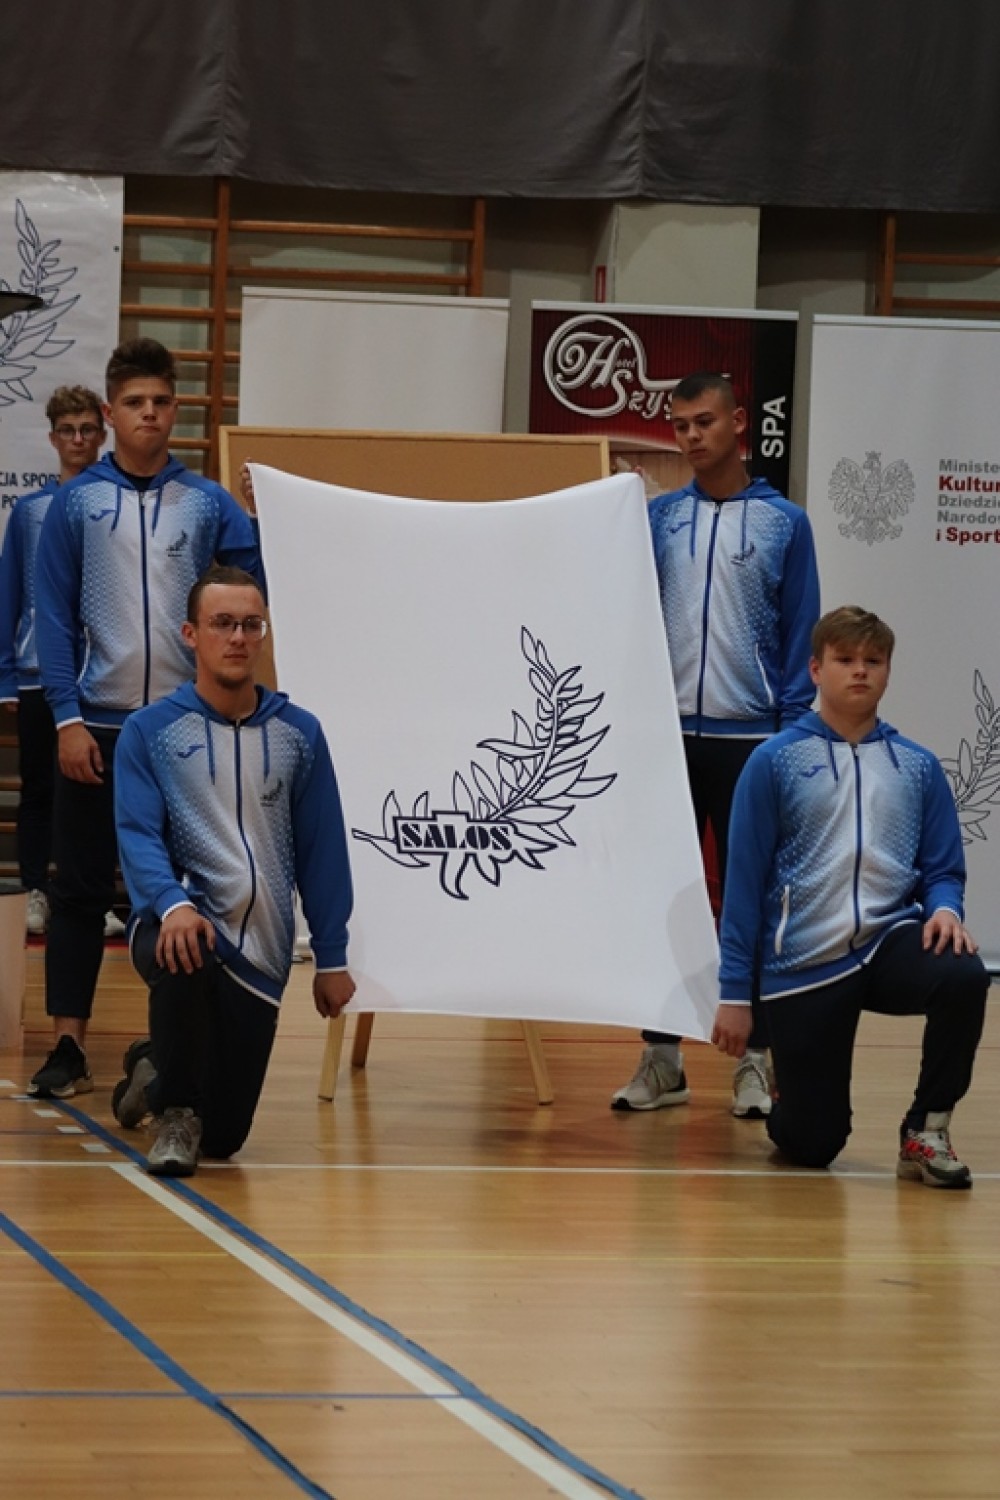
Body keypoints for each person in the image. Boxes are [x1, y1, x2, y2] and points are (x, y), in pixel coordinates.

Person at [27, 338, 264, 1099]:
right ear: (110, 412)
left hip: (181, 729)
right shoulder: (77, 503)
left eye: (161, 402)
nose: (149, 414)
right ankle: (69, 1046)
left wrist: (261, 520)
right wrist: (65, 718)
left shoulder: (207, 503)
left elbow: (251, 593)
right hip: (96, 726)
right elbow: (52, 617)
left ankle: (171, 1048)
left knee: (190, 892)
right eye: (135, 403)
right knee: (77, 890)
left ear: (176, 409)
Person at [712, 607, 988, 1187]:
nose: (860, 671)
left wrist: (945, 909)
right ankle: (790, 1089)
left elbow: (943, 869)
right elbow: (744, 885)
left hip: (888, 942)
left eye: (873, 660)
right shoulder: (774, 762)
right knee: (814, 1145)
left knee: (963, 974)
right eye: (845, 659)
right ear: (816, 669)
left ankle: (927, 1129)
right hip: (804, 964)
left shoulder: (916, 767)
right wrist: (736, 993)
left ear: (888, 671)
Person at [612, 372, 820, 1117]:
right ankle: (662, 1058)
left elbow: (801, 634)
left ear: (739, 423)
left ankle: (755, 1062)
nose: (691, 435)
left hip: (754, 739)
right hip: (666, 738)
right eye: (680, 425)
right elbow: (625, 615)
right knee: (663, 898)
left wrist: (791, 736)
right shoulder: (658, 519)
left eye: (704, 421)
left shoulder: (785, 524)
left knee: (751, 897)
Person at [111, 565, 354, 1176]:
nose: (238, 637)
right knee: (185, 945)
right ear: (191, 634)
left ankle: (156, 1067)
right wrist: (171, 903)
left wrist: (331, 957)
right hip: (176, 921)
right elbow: (137, 834)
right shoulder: (150, 732)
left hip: (263, 953)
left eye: (251, 624)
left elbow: (323, 850)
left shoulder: (300, 736)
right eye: (222, 624)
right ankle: (174, 1113)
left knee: (223, 1139)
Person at [0, 387, 105, 935]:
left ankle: (90, 894)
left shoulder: (112, 503)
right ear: (52, 438)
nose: (78, 439)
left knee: (95, 792)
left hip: (103, 672)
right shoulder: (30, 511)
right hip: (38, 671)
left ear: (102, 435)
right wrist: (5, 675)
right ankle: (36, 890)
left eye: (87, 429)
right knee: (39, 786)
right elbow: (9, 595)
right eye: (68, 430)